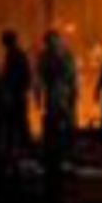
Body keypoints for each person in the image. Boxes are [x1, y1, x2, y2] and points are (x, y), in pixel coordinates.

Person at [35, 30, 79, 167]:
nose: (52, 44)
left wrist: (74, 92)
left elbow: (73, 76)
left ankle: (67, 150)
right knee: (55, 122)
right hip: (56, 94)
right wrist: (38, 96)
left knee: (66, 122)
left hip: (62, 93)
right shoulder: (48, 56)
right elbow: (39, 77)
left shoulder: (64, 55)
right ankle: (57, 151)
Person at [0, 30, 34, 157]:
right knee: (18, 121)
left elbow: (18, 75)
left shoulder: (15, 54)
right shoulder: (15, 54)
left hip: (16, 94)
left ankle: (23, 147)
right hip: (17, 93)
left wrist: (15, 90)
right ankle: (23, 146)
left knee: (17, 121)